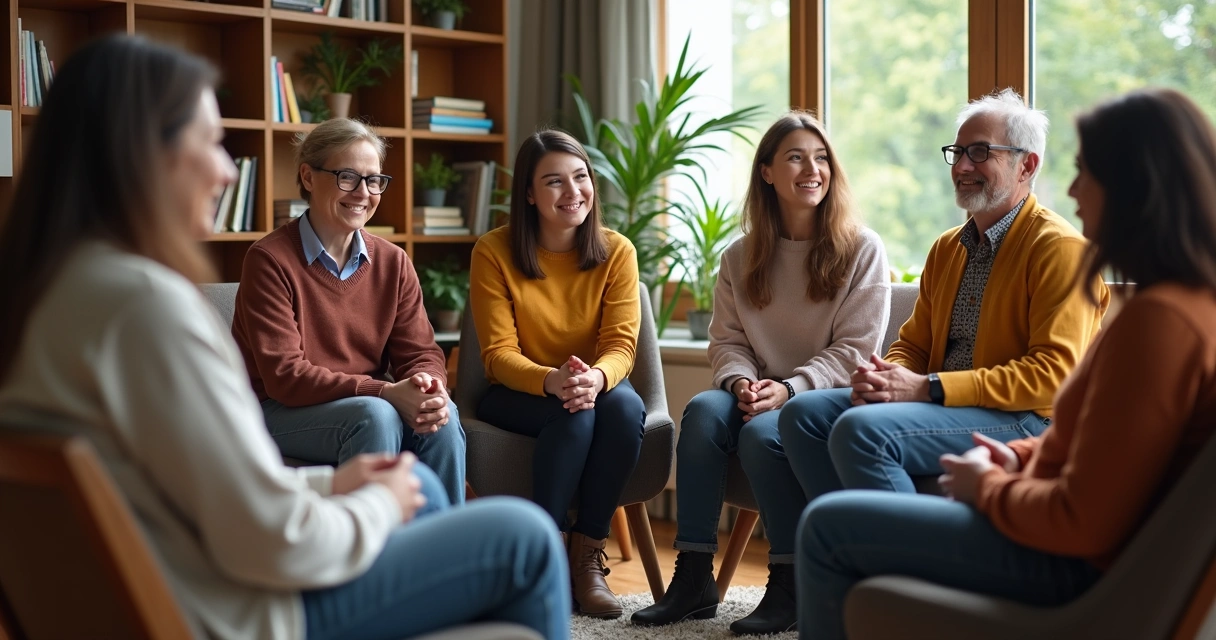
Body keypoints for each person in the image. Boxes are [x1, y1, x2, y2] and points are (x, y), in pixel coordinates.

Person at [0, 35, 569, 640]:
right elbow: (268, 539)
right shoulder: (149, 308)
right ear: (138, 153)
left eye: (375, 180)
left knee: (424, 483)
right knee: (525, 536)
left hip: (191, 581)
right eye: (210, 142)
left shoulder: (52, 297)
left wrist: (337, 478)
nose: (225, 169)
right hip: (240, 611)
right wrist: (374, 505)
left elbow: (197, 487)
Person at [795, 86, 1216, 640]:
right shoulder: (1177, 308)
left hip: (1066, 555)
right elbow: (1098, 440)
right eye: (958, 153)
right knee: (806, 415)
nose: (1071, 190)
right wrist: (1014, 457)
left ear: (1137, 189)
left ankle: (898, 592)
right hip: (1013, 462)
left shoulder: (1157, 319)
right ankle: (859, 590)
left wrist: (987, 485)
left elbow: (1084, 511)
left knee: (832, 514)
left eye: (1085, 172)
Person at [630, 112, 890, 633]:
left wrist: (790, 388)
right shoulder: (740, 256)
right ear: (767, 172)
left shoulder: (863, 249)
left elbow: (856, 350)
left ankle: (789, 582)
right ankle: (695, 576)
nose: (811, 169)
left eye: (821, 159)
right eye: (795, 157)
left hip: (817, 400)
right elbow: (727, 341)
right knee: (703, 412)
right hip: (754, 389)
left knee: (763, 436)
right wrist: (741, 382)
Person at [230, 118, 466, 506]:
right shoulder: (269, 260)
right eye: (347, 177)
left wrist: (429, 387)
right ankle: (370, 560)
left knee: (441, 418)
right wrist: (386, 392)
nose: (363, 193)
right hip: (276, 411)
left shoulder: (393, 262)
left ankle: (444, 554)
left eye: (373, 180)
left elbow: (420, 351)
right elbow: (285, 377)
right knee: (376, 416)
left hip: (366, 403)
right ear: (308, 176)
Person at [469, 128, 646, 619]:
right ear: (528, 193)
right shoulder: (494, 250)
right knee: (573, 418)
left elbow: (620, 346)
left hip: (591, 383)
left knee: (623, 406)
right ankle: (545, 560)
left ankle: (587, 556)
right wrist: (552, 380)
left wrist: (595, 379)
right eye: (554, 182)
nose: (573, 193)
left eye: (581, 177)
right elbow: (498, 355)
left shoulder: (617, 251)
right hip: (517, 389)